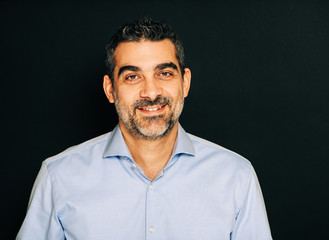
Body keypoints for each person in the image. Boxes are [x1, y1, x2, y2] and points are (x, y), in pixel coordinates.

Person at [16, 18, 272, 240]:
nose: (151, 93)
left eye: (164, 74)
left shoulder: (237, 177)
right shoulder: (59, 177)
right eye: (132, 76)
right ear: (110, 90)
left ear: (185, 83)